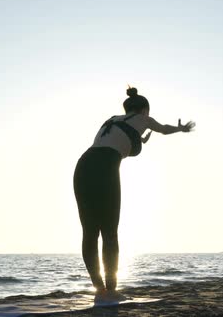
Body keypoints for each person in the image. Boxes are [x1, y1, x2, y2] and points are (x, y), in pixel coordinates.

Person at [73, 86, 195, 299]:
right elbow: (164, 129)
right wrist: (181, 129)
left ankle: (98, 289)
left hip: (83, 166)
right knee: (110, 232)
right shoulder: (144, 119)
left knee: (90, 231)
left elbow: (114, 143)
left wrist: (139, 141)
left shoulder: (112, 119)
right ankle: (111, 291)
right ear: (144, 110)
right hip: (105, 167)